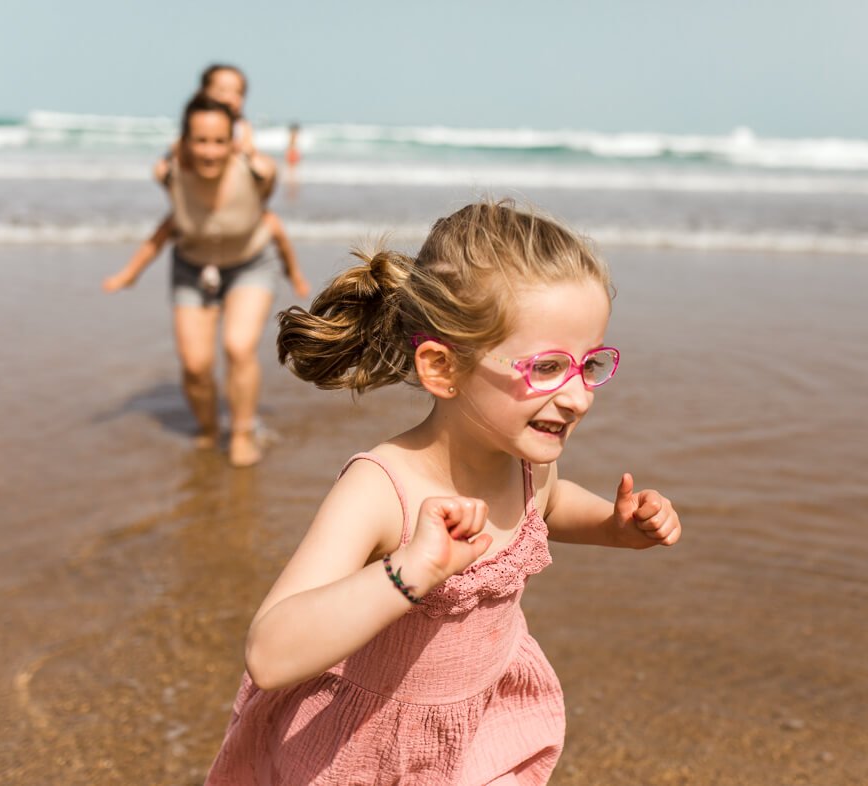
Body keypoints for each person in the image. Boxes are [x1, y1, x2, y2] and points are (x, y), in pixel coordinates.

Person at [204, 200, 682, 783]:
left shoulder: (527, 462)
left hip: (477, 732)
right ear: (442, 367)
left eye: (589, 365)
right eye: (549, 367)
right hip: (363, 746)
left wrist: (613, 527)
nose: (579, 397)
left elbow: (550, 506)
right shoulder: (383, 489)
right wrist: (408, 572)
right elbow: (271, 651)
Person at [103, 95, 310, 467]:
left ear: (232, 141)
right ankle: (210, 428)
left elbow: (274, 215)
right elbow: (167, 227)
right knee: (196, 365)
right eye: (200, 141)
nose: (210, 152)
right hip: (192, 268)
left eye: (219, 141)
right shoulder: (171, 173)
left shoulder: (254, 172)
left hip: (251, 264)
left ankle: (243, 432)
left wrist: (294, 273)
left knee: (238, 346)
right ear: (184, 142)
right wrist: (130, 273)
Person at [153, 63, 277, 187]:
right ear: (202, 92)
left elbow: (249, 149)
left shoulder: (242, 127)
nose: (230, 98)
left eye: (238, 93)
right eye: (222, 91)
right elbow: (178, 146)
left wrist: (246, 151)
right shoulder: (197, 122)